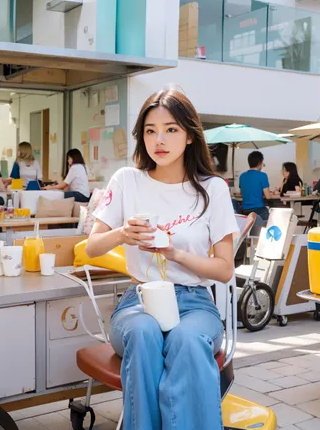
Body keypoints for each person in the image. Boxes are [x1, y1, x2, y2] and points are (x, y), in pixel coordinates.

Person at [87, 88, 237, 430]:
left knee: (186, 339)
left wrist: (175, 253)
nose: (160, 139)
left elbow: (224, 269)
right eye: (150, 130)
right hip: (140, 299)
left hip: (195, 303)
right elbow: (92, 246)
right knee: (143, 332)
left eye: (171, 129)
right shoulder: (127, 181)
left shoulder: (212, 189)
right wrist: (123, 234)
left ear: (189, 135)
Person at [239, 151, 275, 221]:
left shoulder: (242, 176)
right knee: (271, 219)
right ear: (260, 163)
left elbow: (241, 193)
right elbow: (268, 196)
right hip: (259, 211)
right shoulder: (262, 175)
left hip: (245, 211)